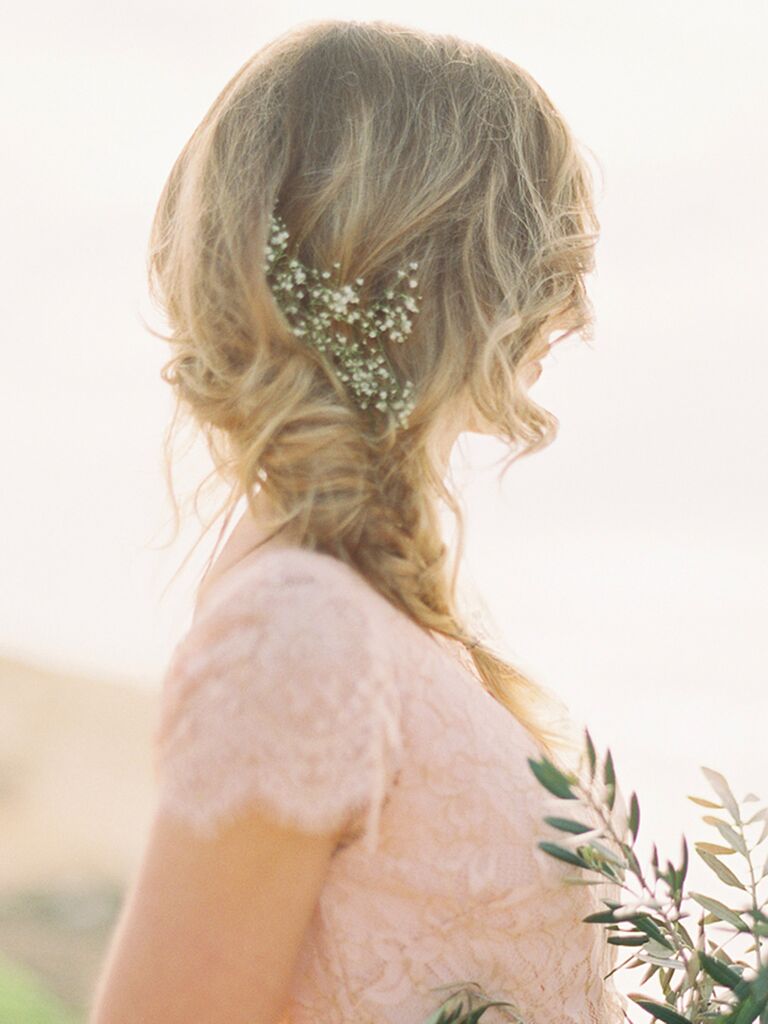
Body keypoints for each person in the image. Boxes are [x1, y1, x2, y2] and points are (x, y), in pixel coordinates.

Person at [88, 18, 630, 1024]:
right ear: (448, 259)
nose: (568, 298)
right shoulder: (300, 625)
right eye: (536, 236)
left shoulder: (387, 626)